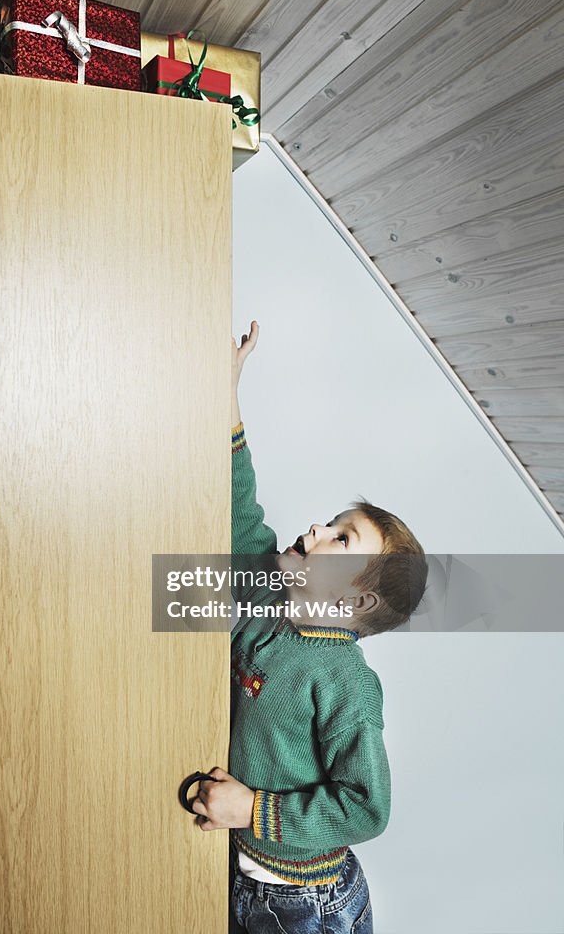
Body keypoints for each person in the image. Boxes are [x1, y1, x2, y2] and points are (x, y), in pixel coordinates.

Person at [190, 320, 428, 934]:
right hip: (249, 876)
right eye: (329, 521)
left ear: (357, 597)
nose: (315, 531)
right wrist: (227, 400)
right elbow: (243, 516)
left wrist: (252, 809)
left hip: (308, 903)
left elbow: (367, 808)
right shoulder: (271, 600)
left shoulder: (345, 681)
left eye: (339, 537)